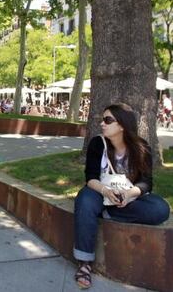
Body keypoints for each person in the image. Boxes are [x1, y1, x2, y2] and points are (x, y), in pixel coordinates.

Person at [73, 103, 170, 289]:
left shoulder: (142, 148)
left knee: (160, 208)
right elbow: (90, 178)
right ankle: (84, 262)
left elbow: (146, 183)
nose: (102, 123)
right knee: (84, 200)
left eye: (108, 120)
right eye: (102, 119)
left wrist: (129, 194)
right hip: (99, 193)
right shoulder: (97, 143)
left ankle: (107, 213)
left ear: (122, 125)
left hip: (127, 198)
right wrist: (106, 192)